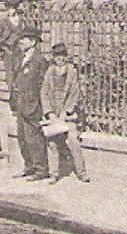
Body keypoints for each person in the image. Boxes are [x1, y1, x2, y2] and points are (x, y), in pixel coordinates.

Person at [40, 42, 89, 183]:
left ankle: (81, 172)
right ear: (53, 57)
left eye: (62, 56)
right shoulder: (50, 72)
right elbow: (44, 93)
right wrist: (50, 113)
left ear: (66, 57)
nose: (59, 59)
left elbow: (75, 94)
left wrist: (66, 112)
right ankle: (54, 173)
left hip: (67, 115)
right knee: (52, 143)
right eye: (57, 56)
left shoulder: (71, 72)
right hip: (54, 114)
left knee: (73, 141)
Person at [7, 29, 49, 180]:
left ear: (32, 42)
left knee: (34, 138)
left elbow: (42, 85)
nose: (20, 42)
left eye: (23, 39)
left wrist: (37, 105)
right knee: (22, 138)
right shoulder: (22, 58)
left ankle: (41, 169)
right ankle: (29, 166)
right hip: (20, 104)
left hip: (32, 105)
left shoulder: (39, 61)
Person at [0, 0, 23, 100]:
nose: (11, 9)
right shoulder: (3, 23)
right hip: (9, 52)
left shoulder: (22, 21)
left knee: (21, 75)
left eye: (13, 7)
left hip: (21, 51)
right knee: (10, 76)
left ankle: (20, 99)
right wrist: (4, 48)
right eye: (9, 7)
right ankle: (13, 99)